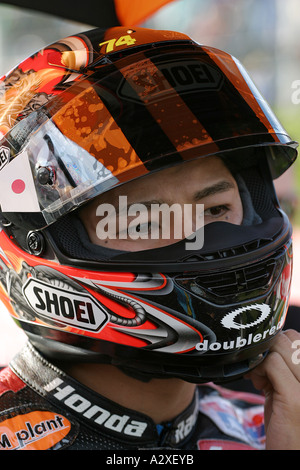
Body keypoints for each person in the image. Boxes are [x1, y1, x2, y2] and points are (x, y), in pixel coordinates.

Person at [0, 25, 299, 451]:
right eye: (142, 224)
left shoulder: (277, 416)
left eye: (216, 210)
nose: (199, 238)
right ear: (40, 244)